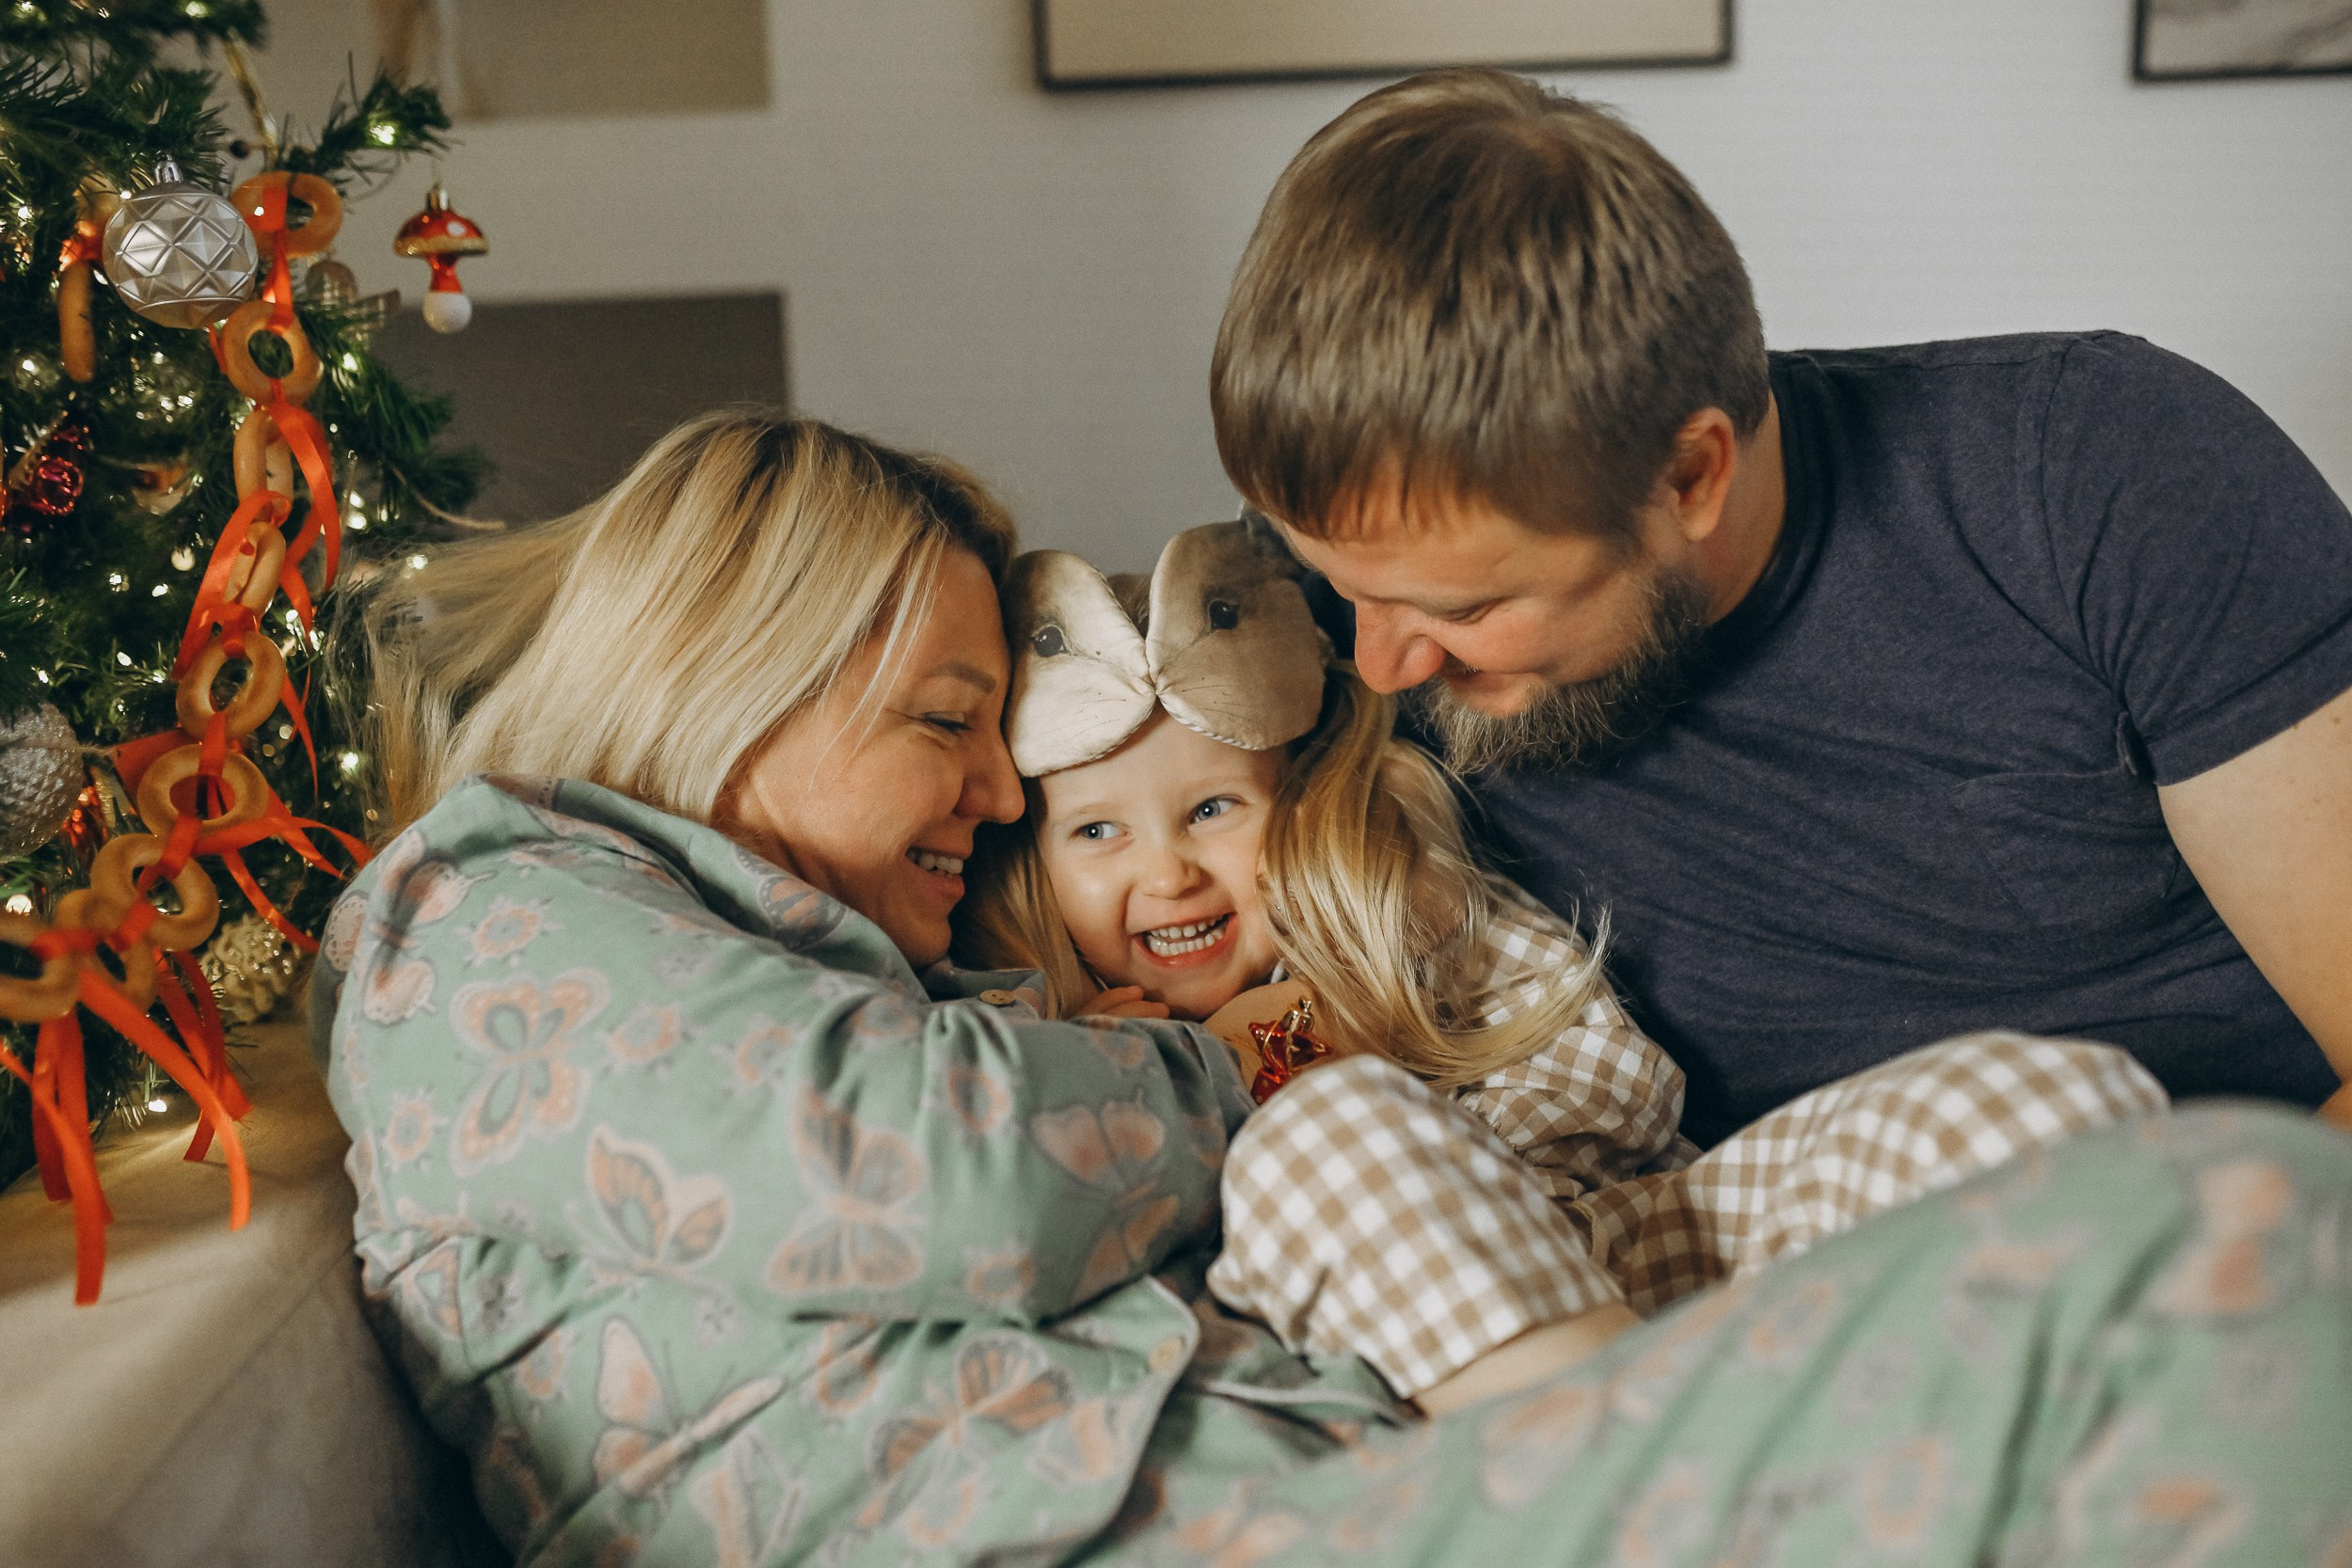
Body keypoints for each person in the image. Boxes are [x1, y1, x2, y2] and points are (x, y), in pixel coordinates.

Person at [314, 408, 2352, 1565]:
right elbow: (911, 1172)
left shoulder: (800, 966)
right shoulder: (489, 904)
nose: (1006, 786)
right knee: (2236, 1231)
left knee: (2082, 1151)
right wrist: (1233, 1082)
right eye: (948, 718)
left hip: (1378, 1457)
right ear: (730, 675)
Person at [1209, 68, 2352, 1146]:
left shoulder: (2097, 479)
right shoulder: (1311, 606)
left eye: (1460, 608)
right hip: (1734, 1274)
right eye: (1344, 587)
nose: (1383, 662)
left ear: (1691, 476)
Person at [957, 518, 2164, 1411]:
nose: (1166, 872)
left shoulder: (1407, 911)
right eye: (1099, 832)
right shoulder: (1054, 1043)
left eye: (1213, 808)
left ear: (1300, 798)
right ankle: (1634, 1504)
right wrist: (1241, 1073)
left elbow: (1621, 1079)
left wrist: (1416, 1092)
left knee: (2025, 1098)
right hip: (1414, 1361)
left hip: (1632, 1250)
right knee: (1333, 1133)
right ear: (1035, 861)